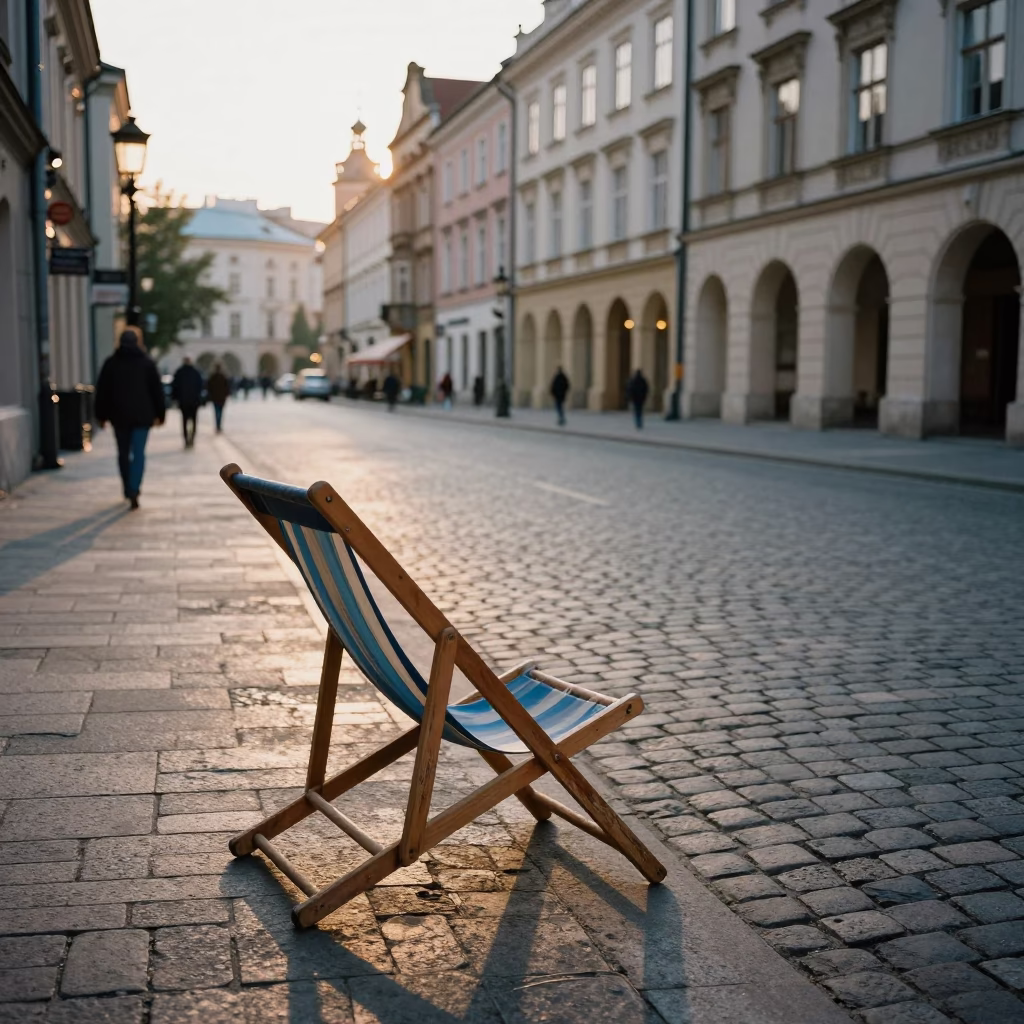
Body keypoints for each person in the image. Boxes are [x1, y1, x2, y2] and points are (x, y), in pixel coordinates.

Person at [94, 327, 165, 510]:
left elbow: (102, 392)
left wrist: (100, 416)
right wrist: (160, 414)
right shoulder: (147, 363)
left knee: (123, 454)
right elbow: (157, 391)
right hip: (143, 416)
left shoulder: (111, 363)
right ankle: (134, 488)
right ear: (138, 341)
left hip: (119, 416)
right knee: (139, 453)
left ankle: (127, 487)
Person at [171, 357, 203, 448]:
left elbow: (174, 386)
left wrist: (175, 399)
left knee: (184, 420)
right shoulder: (196, 372)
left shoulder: (179, 372)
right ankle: (192, 438)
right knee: (194, 420)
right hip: (194, 401)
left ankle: (186, 439)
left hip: (183, 401)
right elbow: (201, 386)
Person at [206, 363, 230, 433]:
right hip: (221, 398)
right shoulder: (223, 376)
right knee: (220, 412)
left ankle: (217, 426)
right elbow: (227, 388)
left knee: (217, 412)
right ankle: (218, 426)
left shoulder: (212, 377)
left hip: (215, 398)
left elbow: (209, 387)